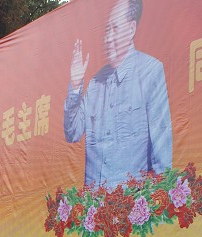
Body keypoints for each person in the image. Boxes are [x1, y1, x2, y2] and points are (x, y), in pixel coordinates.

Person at [64, 0, 172, 188]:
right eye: (107, 30)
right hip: (93, 203)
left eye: (115, 29)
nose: (108, 38)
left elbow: (161, 151)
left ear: (131, 29)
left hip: (131, 202)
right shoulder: (95, 83)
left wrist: (158, 197)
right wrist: (75, 86)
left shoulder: (150, 72)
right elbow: (72, 133)